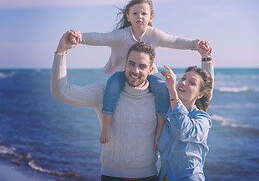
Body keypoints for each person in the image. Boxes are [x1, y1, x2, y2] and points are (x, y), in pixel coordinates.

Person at [51, 32, 209, 180]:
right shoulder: (104, 92)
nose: (135, 70)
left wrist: (206, 59)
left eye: (142, 66)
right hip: (111, 176)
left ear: (151, 70)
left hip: (149, 177)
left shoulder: (163, 97)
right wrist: (61, 51)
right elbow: (62, 92)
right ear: (125, 64)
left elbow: (198, 95)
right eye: (131, 64)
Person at [68, 0, 207, 146]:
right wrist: (80, 37)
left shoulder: (155, 34)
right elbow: (102, 38)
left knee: (161, 87)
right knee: (113, 85)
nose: (139, 17)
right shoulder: (121, 34)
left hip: (146, 75)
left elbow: (173, 40)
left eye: (144, 13)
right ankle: (106, 126)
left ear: (151, 17)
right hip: (122, 74)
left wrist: (195, 44)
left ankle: (159, 129)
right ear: (128, 16)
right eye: (134, 13)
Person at [158, 41, 214, 181]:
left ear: (200, 94)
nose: (183, 83)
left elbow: (183, 131)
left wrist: (172, 91)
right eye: (183, 78)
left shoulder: (202, 119)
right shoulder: (167, 113)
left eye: (191, 82)